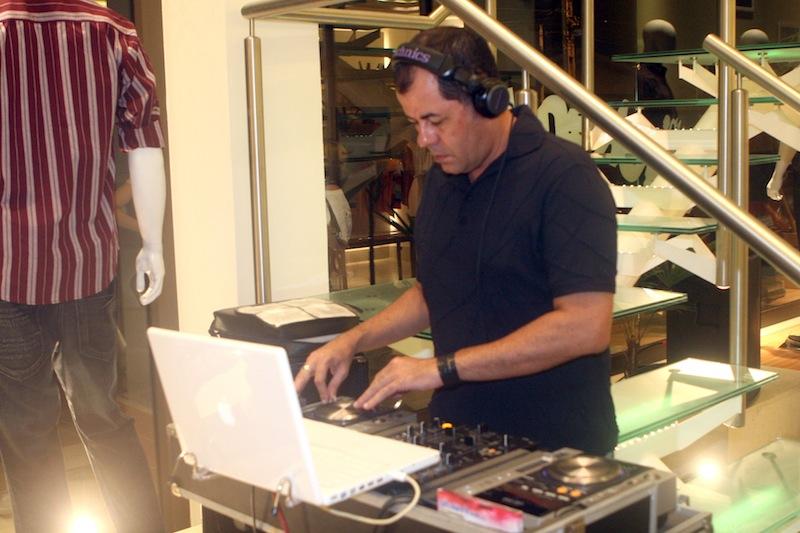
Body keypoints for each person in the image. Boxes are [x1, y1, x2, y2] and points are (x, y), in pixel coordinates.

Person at [296, 27, 619, 455]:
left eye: (436, 121)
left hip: (555, 448)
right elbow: (434, 291)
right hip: (456, 434)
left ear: (487, 100)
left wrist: (440, 369)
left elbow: (585, 326)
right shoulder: (442, 180)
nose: (424, 140)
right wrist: (354, 340)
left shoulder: (565, 177)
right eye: (415, 123)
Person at [0, 1, 166, 531]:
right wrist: (153, 244)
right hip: (86, 263)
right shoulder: (113, 33)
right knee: (104, 419)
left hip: (8, 268)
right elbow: (145, 144)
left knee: (26, 432)